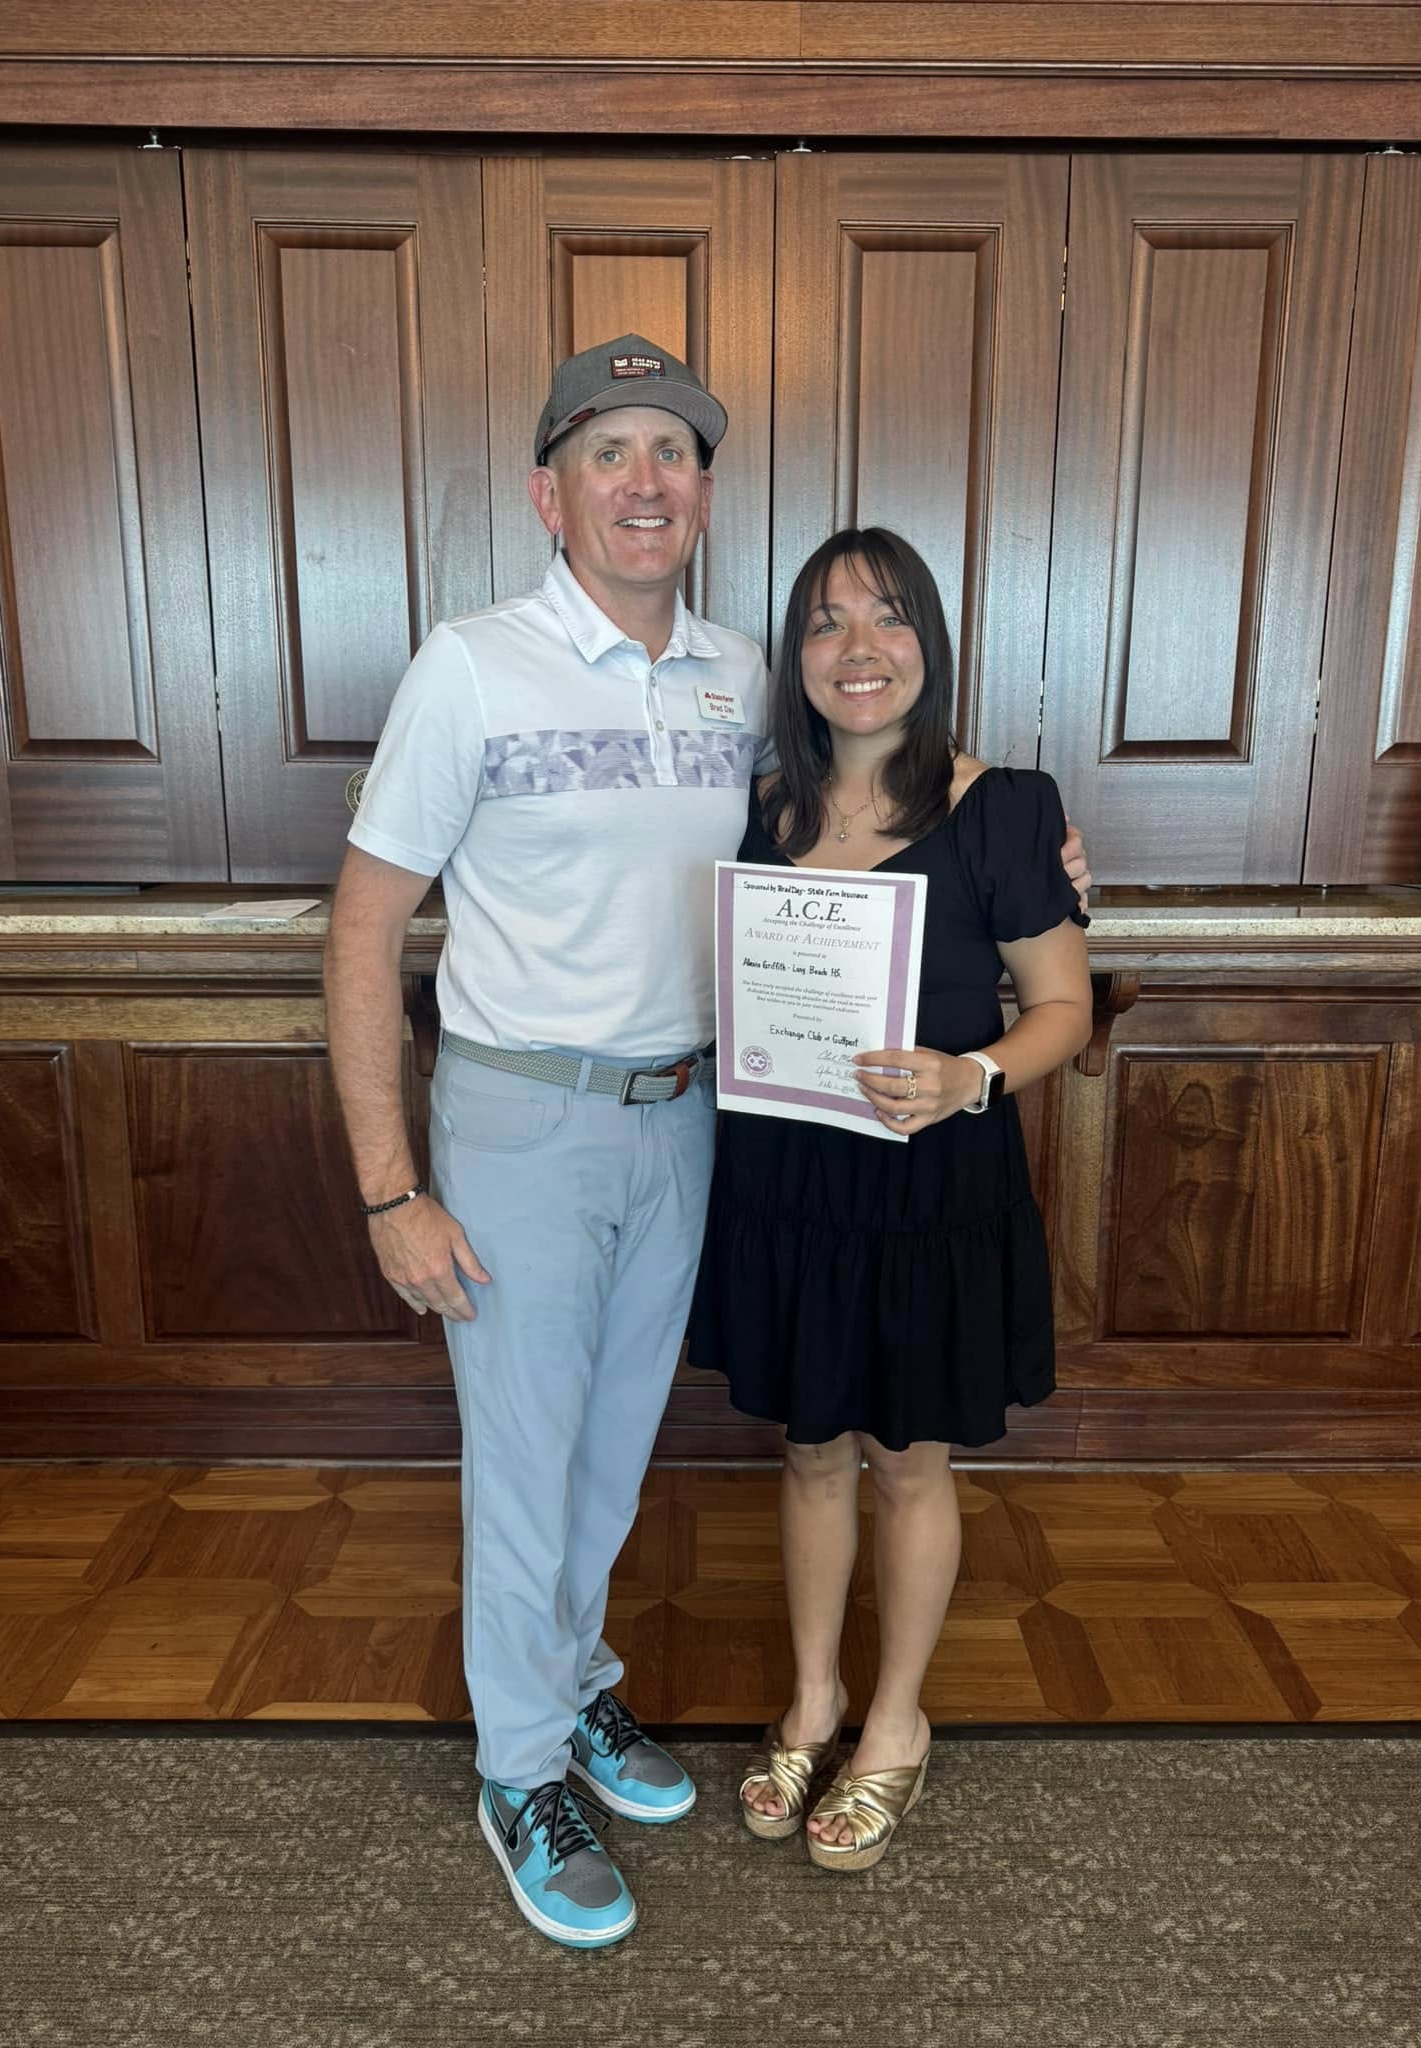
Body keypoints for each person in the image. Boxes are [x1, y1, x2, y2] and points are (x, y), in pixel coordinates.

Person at [325, 335, 1091, 1947]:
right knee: (525, 1463)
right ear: (552, 492)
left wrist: (1033, 839)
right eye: (611, 453)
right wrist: (392, 1187)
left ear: (706, 495)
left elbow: (888, 824)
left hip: (699, 1122)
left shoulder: (753, 680)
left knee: (611, 1450)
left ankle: (583, 1690)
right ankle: (520, 1766)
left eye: (673, 455)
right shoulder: (468, 667)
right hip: (522, 1111)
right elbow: (364, 927)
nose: (645, 482)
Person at [687, 526, 1095, 1872]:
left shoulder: (1010, 808)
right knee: (808, 1445)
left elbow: (1062, 1012)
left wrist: (969, 1074)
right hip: (788, 1179)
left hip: (930, 1180)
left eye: (886, 618)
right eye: (824, 624)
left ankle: (896, 1726)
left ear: (930, 640)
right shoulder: (751, 805)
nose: (858, 650)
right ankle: (811, 1699)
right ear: (793, 658)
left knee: (906, 1458)